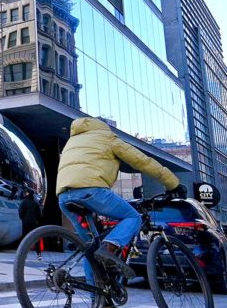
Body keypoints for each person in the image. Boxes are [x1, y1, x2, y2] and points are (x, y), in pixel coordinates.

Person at [57, 117, 182, 278]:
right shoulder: (107, 137)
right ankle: (110, 247)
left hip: (64, 196)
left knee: (90, 247)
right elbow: (142, 162)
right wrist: (173, 184)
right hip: (92, 191)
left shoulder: (72, 142)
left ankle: (99, 300)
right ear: (104, 126)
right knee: (133, 217)